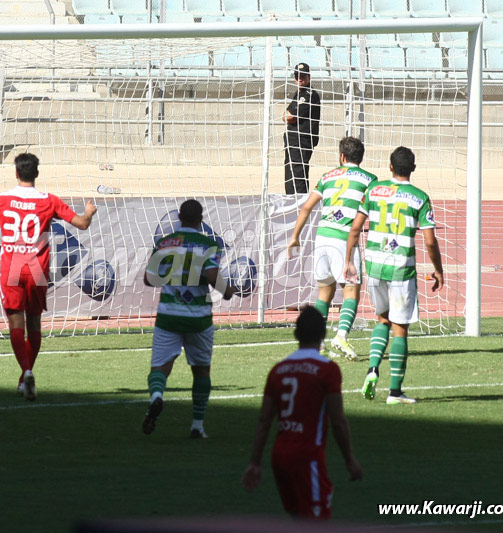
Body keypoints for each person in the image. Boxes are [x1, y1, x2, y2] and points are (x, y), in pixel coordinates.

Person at [0, 153, 97, 401]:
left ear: (16, 173)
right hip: (37, 270)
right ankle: (26, 377)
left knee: (15, 323)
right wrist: (89, 211)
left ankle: (26, 372)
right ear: (37, 173)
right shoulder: (49, 200)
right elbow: (82, 224)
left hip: (11, 267)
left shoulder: (2, 199)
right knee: (34, 323)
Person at [344, 146, 444, 405]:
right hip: (401, 268)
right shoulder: (420, 197)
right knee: (400, 328)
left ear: (390, 166)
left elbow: (355, 228)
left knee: (381, 319)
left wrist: (348, 260)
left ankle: (373, 368)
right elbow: (430, 242)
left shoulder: (373, 191)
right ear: (413, 169)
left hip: (375, 265)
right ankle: (395, 392)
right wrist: (438, 269)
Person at [242, 306, 362, 520]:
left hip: (279, 457)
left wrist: (255, 462)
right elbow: (338, 421)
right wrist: (350, 459)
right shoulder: (327, 370)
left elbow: (264, 420)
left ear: (296, 334)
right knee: (316, 522)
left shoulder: (278, 369)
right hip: (308, 458)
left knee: (297, 517)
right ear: (323, 334)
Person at [142, 199, 235, 439]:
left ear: (179, 218)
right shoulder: (208, 244)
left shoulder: (164, 243)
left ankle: (157, 397)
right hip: (198, 318)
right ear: (200, 220)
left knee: (160, 368)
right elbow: (213, 275)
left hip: (169, 316)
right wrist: (226, 291)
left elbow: (148, 279)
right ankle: (197, 425)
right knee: (201, 371)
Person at [287, 137, 378, 361]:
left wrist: (295, 236)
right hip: (344, 239)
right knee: (351, 290)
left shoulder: (327, 177)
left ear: (341, 156)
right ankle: (342, 336)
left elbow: (307, 206)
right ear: (361, 157)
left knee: (324, 293)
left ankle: (317, 343)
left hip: (323, 238)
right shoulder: (369, 179)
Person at [283, 62, 321, 195]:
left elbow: (291, 117)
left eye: (303, 76)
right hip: (293, 142)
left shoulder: (309, 95)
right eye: (297, 76)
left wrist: (288, 116)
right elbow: (285, 114)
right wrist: (287, 115)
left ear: (309, 77)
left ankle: (299, 204)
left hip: (301, 141)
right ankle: (292, 201)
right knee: (290, 175)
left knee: (298, 177)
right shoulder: (298, 94)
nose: (299, 79)